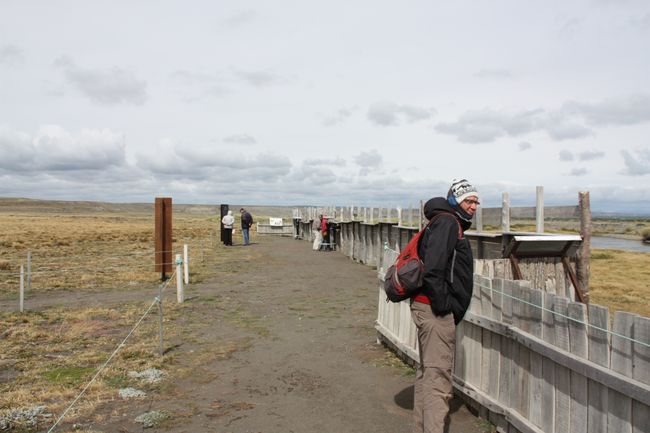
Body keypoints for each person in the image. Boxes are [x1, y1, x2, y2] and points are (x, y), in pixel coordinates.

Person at [411, 178, 478, 433]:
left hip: (426, 307)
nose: (473, 206)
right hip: (434, 310)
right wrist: (444, 307)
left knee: (428, 374)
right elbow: (433, 270)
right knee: (438, 380)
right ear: (455, 201)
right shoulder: (449, 223)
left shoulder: (445, 221)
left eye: (475, 201)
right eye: (468, 201)